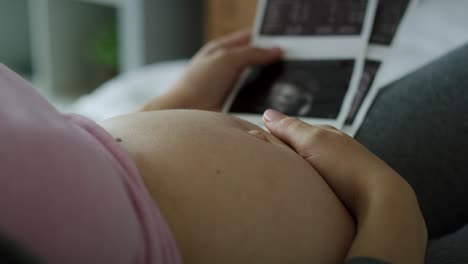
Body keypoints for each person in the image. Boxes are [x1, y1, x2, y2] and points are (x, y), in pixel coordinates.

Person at [1, 29, 450, 264]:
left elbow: (70, 173)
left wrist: (174, 104)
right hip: (380, 238)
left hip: (353, 165)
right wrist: (387, 201)